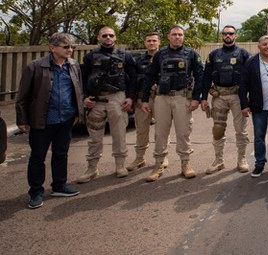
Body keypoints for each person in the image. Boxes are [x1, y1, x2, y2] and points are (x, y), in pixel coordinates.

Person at [15, 32, 84, 209]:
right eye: (66, 46)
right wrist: (21, 119)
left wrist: (78, 112)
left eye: (72, 47)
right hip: (42, 121)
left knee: (61, 154)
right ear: (52, 48)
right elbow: (22, 96)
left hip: (66, 119)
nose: (70, 50)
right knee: (38, 157)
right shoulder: (35, 67)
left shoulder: (73, 65)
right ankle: (36, 192)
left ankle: (59, 185)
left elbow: (78, 90)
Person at [141, 25, 204, 182]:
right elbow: (149, 76)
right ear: (168, 37)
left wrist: (196, 98)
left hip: (182, 97)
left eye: (180, 35)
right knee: (160, 133)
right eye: (174, 34)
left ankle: (185, 164)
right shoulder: (160, 54)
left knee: (183, 133)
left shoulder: (191, 54)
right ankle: (159, 164)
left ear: (183, 37)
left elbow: (200, 77)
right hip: (162, 98)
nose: (177, 37)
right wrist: (144, 100)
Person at [77, 26, 137, 183]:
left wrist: (130, 98)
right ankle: (92, 168)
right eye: (104, 35)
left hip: (117, 98)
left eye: (111, 35)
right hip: (96, 100)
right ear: (99, 37)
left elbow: (133, 78)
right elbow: (82, 79)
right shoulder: (90, 57)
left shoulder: (125, 56)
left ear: (115, 37)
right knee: (94, 136)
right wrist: (85, 98)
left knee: (119, 135)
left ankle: (120, 165)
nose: (108, 38)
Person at [201, 25, 251, 174]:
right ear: (222, 36)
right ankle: (218, 161)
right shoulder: (214, 54)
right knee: (218, 130)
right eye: (225, 33)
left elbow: (250, 76)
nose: (228, 35)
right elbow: (206, 77)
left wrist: (249, 98)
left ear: (236, 35)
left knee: (241, 130)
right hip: (219, 96)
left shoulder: (244, 54)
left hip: (237, 96)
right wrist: (203, 98)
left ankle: (242, 159)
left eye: (231, 33)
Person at [239, 35, 268, 177]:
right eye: (264, 44)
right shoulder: (251, 62)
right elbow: (243, 84)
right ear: (259, 46)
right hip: (259, 107)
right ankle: (259, 164)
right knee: (259, 137)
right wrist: (244, 105)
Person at [126, 32, 165, 171]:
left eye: (154, 40)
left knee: (161, 131)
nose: (151, 43)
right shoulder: (138, 60)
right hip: (142, 100)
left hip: (160, 98)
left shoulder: (165, 57)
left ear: (159, 42)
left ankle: (162, 157)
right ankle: (140, 158)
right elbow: (132, 80)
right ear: (145, 43)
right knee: (141, 130)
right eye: (149, 41)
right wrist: (131, 98)